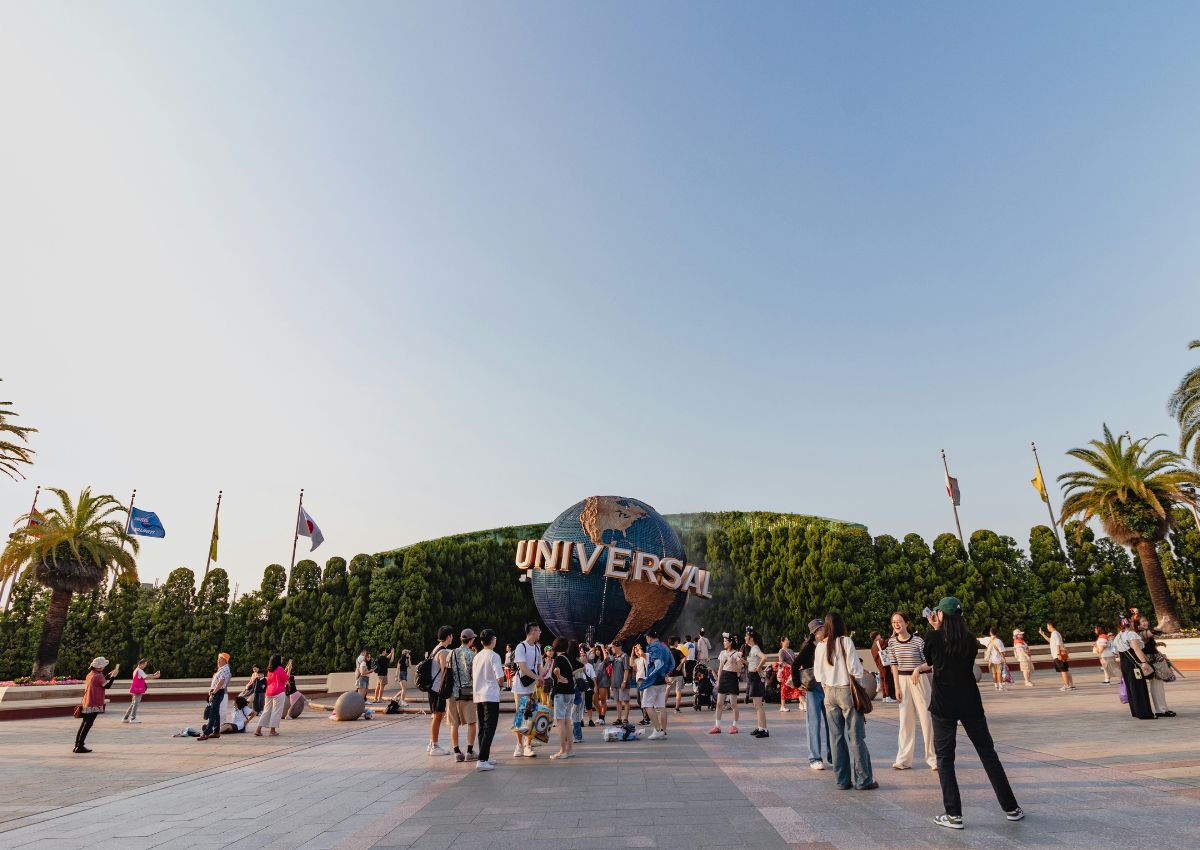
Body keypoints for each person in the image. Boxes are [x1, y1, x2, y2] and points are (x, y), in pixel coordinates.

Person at [913, 597, 1021, 830]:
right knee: (988, 754)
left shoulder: (932, 637)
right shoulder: (970, 640)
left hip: (944, 705)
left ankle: (953, 814)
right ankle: (1011, 807)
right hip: (970, 702)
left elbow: (932, 661)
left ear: (941, 615)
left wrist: (935, 629)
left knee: (945, 758)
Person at [814, 612, 877, 791]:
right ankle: (863, 780)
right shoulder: (845, 641)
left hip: (829, 693)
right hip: (846, 691)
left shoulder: (820, 646)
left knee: (836, 737)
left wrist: (827, 686)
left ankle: (842, 780)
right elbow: (855, 669)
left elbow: (818, 675)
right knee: (856, 736)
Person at [887, 612, 936, 771]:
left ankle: (933, 758)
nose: (896, 624)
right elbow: (893, 665)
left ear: (907, 623)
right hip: (902, 681)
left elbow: (929, 662)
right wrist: (896, 687)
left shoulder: (918, 641)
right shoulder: (891, 642)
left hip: (919, 680)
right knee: (905, 722)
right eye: (894, 622)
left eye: (899, 621)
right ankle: (903, 760)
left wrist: (917, 669)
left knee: (927, 720)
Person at [797, 618, 833, 769]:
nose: (822, 631)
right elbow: (795, 665)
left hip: (828, 685)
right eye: (819, 630)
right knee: (814, 723)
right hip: (813, 688)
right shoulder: (808, 648)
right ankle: (814, 757)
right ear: (814, 633)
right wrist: (799, 684)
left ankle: (833, 755)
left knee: (832, 721)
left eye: (823, 628)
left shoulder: (830, 645)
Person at [472, 628, 504, 771]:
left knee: (482, 728)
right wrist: (499, 686)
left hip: (478, 695)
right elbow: (500, 677)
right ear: (492, 640)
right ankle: (482, 759)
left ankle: (484, 756)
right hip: (490, 695)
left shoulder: (477, 656)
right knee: (490, 728)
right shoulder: (494, 656)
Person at [1111, 618, 1155, 720]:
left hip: (1124, 664)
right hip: (1134, 664)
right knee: (1138, 687)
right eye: (1130, 622)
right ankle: (1144, 713)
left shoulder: (1118, 636)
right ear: (1127, 624)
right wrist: (1144, 663)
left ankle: (1136, 711)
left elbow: (1117, 653)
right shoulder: (1131, 634)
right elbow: (1136, 649)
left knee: (1131, 688)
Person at [511, 622, 542, 759]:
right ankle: (519, 744)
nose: (540, 632)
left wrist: (542, 678)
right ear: (532, 631)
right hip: (520, 686)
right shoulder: (521, 647)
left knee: (532, 715)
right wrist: (537, 677)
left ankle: (527, 745)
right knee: (520, 715)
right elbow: (522, 667)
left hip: (533, 687)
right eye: (538, 630)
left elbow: (539, 665)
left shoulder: (537, 648)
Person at [75, 657, 119, 753]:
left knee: (84, 724)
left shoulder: (90, 674)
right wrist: (113, 677)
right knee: (87, 725)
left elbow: (100, 682)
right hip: (94, 703)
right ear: (99, 667)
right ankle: (80, 746)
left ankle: (77, 745)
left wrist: (109, 675)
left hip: (87, 702)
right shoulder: (98, 676)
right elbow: (107, 686)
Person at [447, 628, 478, 762]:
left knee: (454, 723)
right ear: (471, 641)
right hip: (467, 692)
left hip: (452, 693)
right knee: (472, 722)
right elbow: (474, 675)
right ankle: (469, 751)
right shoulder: (471, 655)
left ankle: (456, 752)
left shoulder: (451, 653)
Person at [1137, 616, 1175, 718]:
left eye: (1145, 620)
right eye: (1142, 621)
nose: (1145, 622)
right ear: (1138, 625)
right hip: (1151, 662)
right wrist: (1162, 622)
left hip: (1154, 661)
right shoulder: (1139, 634)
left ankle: (1162, 709)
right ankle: (1161, 710)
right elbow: (1154, 631)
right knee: (1156, 686)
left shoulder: (1142, 633)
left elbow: (1151, 640)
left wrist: (1157, 648)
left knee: (1158, 685)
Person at [639, 628, 674, 740]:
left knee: (646, 704)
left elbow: (657, 665)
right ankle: (663, 731)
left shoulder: (653, 647)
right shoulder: (665, 646)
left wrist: (648, 678)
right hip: (662, 681)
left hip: (653, 681)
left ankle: (658, 730)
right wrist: (667, 674)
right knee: (661, 706)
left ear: (649, 637)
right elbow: (672, 662)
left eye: (646, 638)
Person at [427, 625, 454, 756]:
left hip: (432, 688)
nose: (452, 637)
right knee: (438, 716)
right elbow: (445, 671)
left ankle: (431, 743)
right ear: (448, 636)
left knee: (435, 716)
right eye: (451, 635)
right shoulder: (443, 652)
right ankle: (434, 746)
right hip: (438, 689)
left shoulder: (435, 649)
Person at [710, 632, 743, 735]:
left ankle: (734, 726)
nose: (724, 643)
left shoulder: (737, 654)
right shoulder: (722, 653)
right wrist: (718, 681)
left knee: (733, 704)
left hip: (732, 677)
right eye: (723, 641)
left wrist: (732, 662)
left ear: (730, 642)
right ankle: (717, 726)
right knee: (719, 703)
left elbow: (739, 668)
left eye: (725, 641)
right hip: (723, 677)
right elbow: (720, 668)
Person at [549, 638, 577, 760]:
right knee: (567, 721)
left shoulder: (558, 659)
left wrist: (559, 677)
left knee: (560, 722)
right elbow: (582, 666)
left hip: (560, 693)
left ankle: (562, 750)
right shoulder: (570, 657)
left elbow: (555, 671)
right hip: (571, 692)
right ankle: (570, 749)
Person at [199, 652, 231, 741]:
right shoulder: (222, 669)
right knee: (216, 712)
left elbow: (221, 682)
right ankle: (216, 732)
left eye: (219, 659)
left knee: (212, 712)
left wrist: (213, 693)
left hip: (218, 692)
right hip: (216, 691)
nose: (218, 661)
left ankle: (206, 732)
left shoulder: (225, 669)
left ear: (224, 660)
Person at [743, 627, 768, 738]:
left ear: (751, 638)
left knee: (759, 706)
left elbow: (764, 658)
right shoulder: (752, 649)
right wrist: (743, 661)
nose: (745, 637)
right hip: (752, 677)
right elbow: (751, 664)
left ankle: (764, 730)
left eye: (746, 636)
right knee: (756, 705)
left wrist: (759, 667)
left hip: (756, 678)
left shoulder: (755, 648)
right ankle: (760, 727)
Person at [255, 654, 289, 736]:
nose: (281, 660)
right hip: (278, 691)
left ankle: (258, 729)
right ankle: (272, 730)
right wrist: (288, 670)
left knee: (266, 710)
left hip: (269, 691)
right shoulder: (280, 669)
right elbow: (286, 679)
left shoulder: (270, 670)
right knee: (276, 711)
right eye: (280, 659)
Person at [123, 659, 160, 723]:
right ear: (140, 664)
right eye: (144, 664)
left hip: (135, 689)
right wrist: (155, 677)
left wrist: (154, 674)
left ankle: (125, 718)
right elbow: (146, 677)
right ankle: (133, 718)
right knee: (136, 703)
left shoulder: (137, 670)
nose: (145, 666)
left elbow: (145, 675)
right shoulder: (139, 670)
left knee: (133, 703)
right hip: (138, 689)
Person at [1039, 622, 1074, 690]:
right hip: (1060, 654)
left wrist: (1058, 654)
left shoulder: (1055, 633)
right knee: (1066, 670)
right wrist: (1043, 634)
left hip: (1058, 655)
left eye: (1047, 626)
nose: (1047, 628)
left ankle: (1067, 686)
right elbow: (1051, 641)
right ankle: (1071, 685)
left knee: (1063, 670)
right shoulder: (1055, 633)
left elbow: (1058, 644)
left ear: (1050, 625)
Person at [870, 631, 894, 703]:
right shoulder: (879, 641)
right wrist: (892, 635)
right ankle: (888, 696)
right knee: (887, 679)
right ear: (877, 635)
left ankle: (884, 696)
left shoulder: (872, 646)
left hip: (879, 665)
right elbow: (887, 642)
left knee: (883, 680)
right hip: (884, 663)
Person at [777, 636, 800, 711]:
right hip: (786, 672)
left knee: (797, 686)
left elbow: (795, 659)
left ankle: (802, 703)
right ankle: (782, 706)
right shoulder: (781, 651)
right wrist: (789, 666)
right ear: (782, 642)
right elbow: (781, 661)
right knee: (785, 688)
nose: (788, 641)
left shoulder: (791, 650)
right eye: (787, 640)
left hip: (792, 671)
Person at [610, 643, 630, 725]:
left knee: (625, 701)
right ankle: (619, 718)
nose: (612, 649)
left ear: (616, 647)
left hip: (622, 682)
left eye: (612, 648)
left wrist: (624, 682)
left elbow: (626, 670)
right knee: (617, 701)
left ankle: (625, 718)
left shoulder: (624, 656)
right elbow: (612, 670)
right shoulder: (614, 657)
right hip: (615, 682)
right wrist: (612, 682)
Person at [631, 643, 651, 725]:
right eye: (635, 651)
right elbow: (631, 664)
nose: (636, 652)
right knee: (639, 701)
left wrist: (639, 648)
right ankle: (645, 717)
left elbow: (642, 654)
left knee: (644, 700)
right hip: (638, 681)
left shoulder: (646, 656)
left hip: (644, 680)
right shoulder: (637, 660)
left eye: (637, 650)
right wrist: (632, 652)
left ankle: (647, 719)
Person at [592, 643, 610, 724]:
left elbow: (606, 658)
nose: (597, 652)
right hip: (595, 682)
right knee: (595, 701)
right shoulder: (593, 660)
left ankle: (602, 717)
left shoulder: (604, 660)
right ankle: (600, 716)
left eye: (598, 650)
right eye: (596, 650)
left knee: (603, 700)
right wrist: (591, 650)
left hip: (603, 681)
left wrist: (602, 648)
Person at [668, 636, 686, 713]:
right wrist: (680, 665)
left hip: (669, 675)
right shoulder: (678, 651)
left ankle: (661, 707)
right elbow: (685, 658)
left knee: (667, 691)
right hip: (678, 674)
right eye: (677, 642)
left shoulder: (666, 652)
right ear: (675, 642)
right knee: (678, 691)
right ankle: (677, 708)